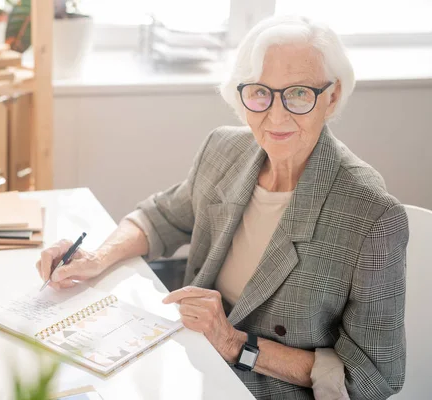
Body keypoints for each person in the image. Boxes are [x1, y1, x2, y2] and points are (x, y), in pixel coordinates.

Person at [36, 15, 409, 400]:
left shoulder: (372, 215)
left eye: (299, 94)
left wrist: (235, 344)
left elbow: (375, 377)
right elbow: (158, 218)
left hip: (265, 387)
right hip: (190, 362)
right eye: (260, 92)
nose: (276, 116)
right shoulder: (224, 149)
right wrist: (98, 256)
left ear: (331, 97)